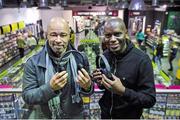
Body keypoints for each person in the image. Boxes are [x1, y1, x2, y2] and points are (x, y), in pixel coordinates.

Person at [22, 17, 93, 119]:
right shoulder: (33, 63)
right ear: (47, 35)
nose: (58, 40)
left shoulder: (80, 58)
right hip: (48, 116)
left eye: (63, 35)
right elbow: (27, 96)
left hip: (75, 116)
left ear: (69, 36)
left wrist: (87, 86)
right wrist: (50, 88)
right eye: (53, 35)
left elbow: (88, 92)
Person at [93, 17, 156, 119]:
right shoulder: (105, 56)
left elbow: (149, 100)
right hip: (106, 115)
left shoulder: (142, 60)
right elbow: (104, 87)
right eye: (108, 35)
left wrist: (123, 91)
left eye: (117, 34)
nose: (112, 39)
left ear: (125, 33)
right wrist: (100, 82)